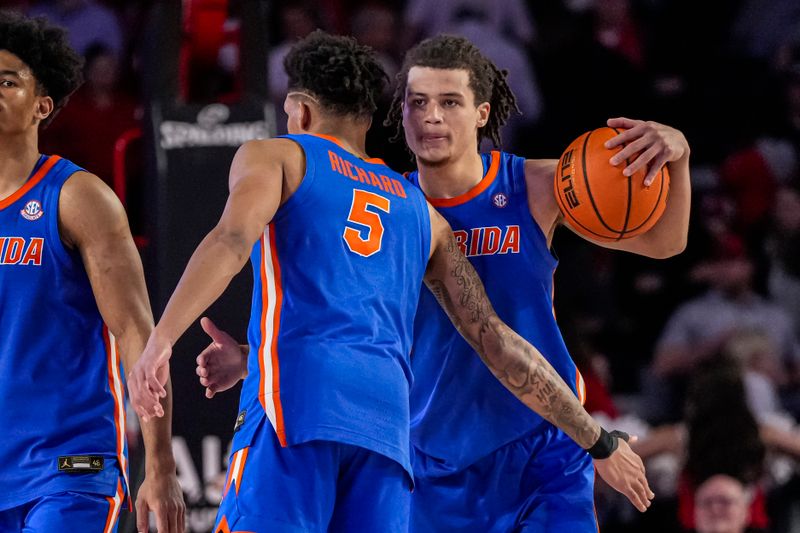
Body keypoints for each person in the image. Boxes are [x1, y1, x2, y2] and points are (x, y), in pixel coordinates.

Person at [127, 30, 652, 532]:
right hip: (386, 433)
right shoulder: (420, 213)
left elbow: (230, 242)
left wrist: (162, 340)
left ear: (301, 110)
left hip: (299, 405)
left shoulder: (280, 155)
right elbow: (495, 340)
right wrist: (596, 438)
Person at [381, 34, 688, 531]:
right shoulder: (388, 207)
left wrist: (681, 155)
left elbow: (664, 244)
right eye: (417, 102)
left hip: (546, 444)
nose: (430, 116)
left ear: (482, 113)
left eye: (449, 101)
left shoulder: (535, 186)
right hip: (437, 457)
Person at [0, 13, 183, 533]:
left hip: (67, 466)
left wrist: (161, 463)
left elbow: (137, 335)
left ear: (43, 105)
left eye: (8, 80)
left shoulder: (78, 197)